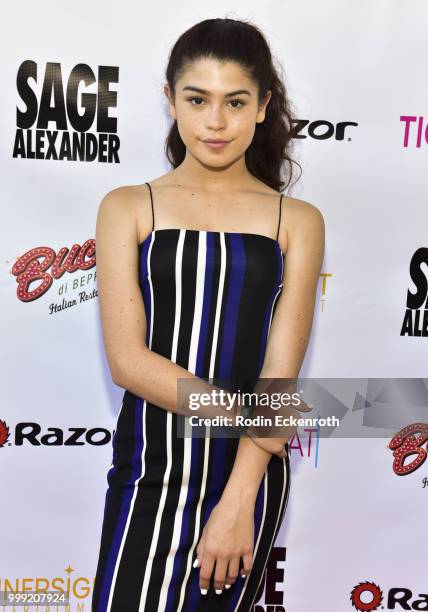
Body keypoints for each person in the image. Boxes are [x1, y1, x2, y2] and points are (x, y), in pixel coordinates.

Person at [91, 16, 324, 612]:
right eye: (197, 99)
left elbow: (281, 374)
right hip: (151, 466)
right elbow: (127, 361)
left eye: (236, 101)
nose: (216, 122)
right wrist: (253, 417)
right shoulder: (127, 206)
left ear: (264, 106)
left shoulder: (295, 221)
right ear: (170, 101)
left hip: (246, 478)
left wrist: (241, 495)